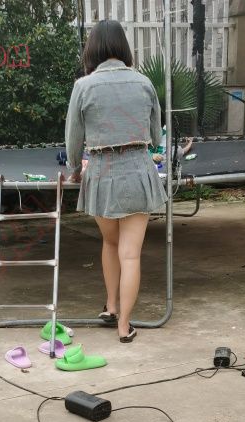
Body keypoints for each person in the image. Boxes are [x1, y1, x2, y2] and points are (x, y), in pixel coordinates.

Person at [65, 20, 166, 343]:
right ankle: (124, 326)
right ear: (124, 47)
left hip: (101, 173)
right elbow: (156, 137)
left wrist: (75, 169)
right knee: (130, 254)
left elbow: (73, 140)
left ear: (92, 49)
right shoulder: (144, 82)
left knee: (109, 242)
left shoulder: (83, 86)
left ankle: (110, 306)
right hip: (138, 171)